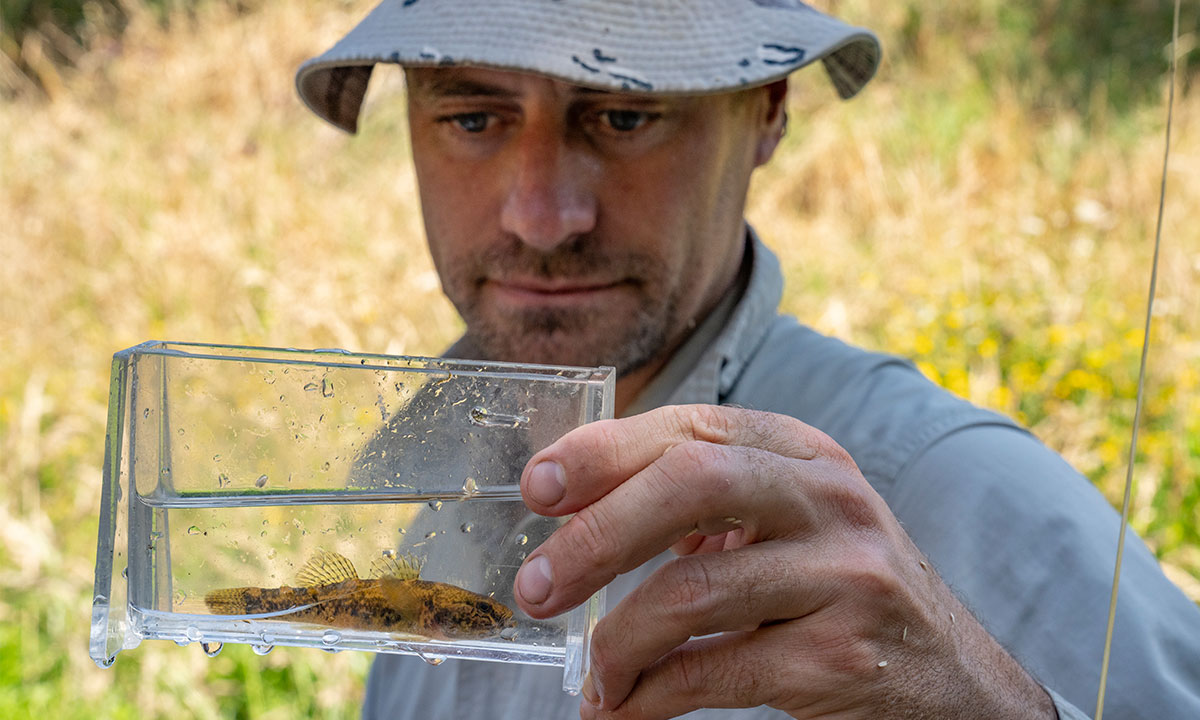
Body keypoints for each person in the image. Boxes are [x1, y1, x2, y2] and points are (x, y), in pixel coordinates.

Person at [294, 1, 1200, 718]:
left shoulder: (949, 492)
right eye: (473, 117)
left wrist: (985, 706)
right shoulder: (439, 487)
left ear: (767, 114)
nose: (542, 215)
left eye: (621, 114)